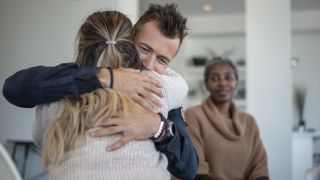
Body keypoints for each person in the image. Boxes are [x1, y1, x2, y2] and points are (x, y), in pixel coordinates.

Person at [2, 3, 198, 180]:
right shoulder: (73, 75)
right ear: (128, 38)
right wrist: (105, 77)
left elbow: (189, 169)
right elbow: (13, 88)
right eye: (144, 49)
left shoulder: (161, 89)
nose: (148, 64)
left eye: (162, 60)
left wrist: (158, 127)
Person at [185, 57, 269, 180]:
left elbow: (260, 170)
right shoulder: (193, 115)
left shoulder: (249, 122)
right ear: (206, 85)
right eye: (214, 78)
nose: (222, 83)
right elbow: (196, 171)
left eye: (228, 77)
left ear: (236, 83)